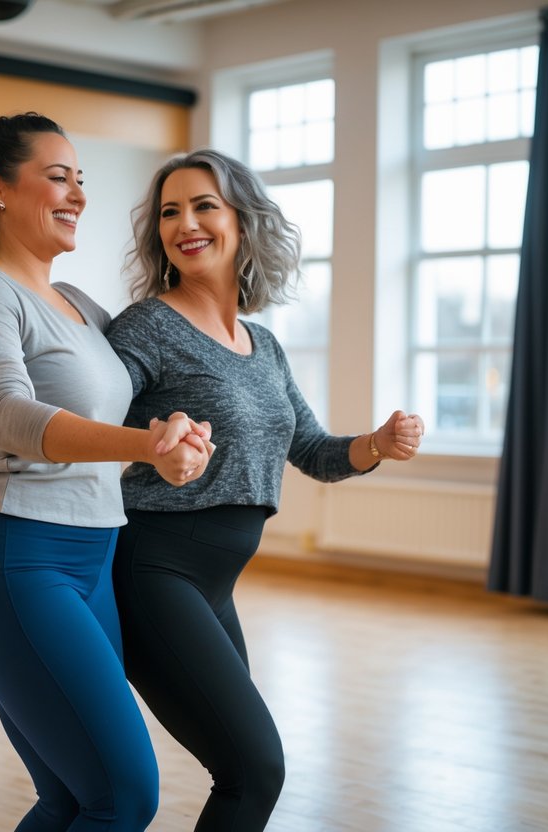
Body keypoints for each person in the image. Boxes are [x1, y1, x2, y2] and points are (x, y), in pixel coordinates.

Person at [0, 113, 213, 832]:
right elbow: (9, 416)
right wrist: (143, 445)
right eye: (57, 177)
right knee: (124, 797)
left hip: (90, 559)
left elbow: (138, 399)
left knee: (74, 798)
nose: (76, 194)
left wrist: (180, 439)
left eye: (81, 181)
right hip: (13, 561)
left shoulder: (78, 306)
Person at [105, 149, 426, 832]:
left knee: (244, 773)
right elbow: (89, 417)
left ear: (242, 224)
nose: (184, 223)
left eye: (202, 206)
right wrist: (148, 442)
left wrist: (375, 442)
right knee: (255, 771)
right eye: (169, 211)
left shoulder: (263, 345)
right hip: (153, 569)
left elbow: (310, 450)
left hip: (213, 585)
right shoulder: (145, 328)